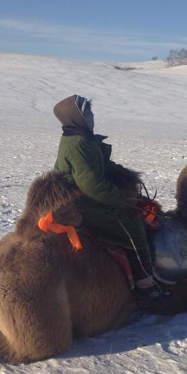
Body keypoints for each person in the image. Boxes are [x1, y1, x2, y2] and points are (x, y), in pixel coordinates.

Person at [53, 94, 168, 308]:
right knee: (132, 225)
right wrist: (122, 200)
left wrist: (117, 170)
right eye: (88, 113)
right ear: (76, 117)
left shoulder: (82, 138)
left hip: (85, 197)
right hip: (82, 202)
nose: (92, 117)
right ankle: (145, 289)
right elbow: (91, 184)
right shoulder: (79, 144)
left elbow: (96, 167)